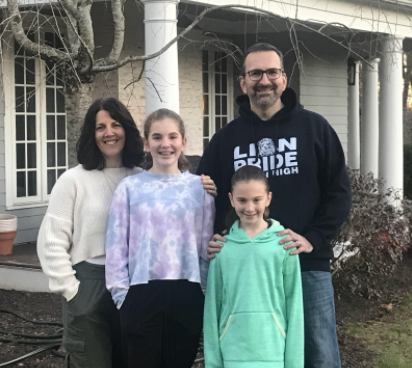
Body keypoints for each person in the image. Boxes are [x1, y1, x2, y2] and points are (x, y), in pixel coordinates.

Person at [197, 43, 352, 368]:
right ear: (243, 82)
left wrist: (314, 237)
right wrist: (211, 235)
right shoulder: (225, 140)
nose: (263, 80)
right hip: (246, 272)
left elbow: (338, 192)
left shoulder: (315, 128)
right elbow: (202, 199)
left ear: (283, 78)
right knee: (252, 356)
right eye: (255, 73)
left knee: (319, 354)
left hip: (306, 265)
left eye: (271, 72)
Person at [37, 98, 216, 368]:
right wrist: (72, 290)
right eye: (100, 127)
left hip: (151, 284)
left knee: (127, 358)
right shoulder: (76, 180)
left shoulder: (141, 176)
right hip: (93, 281)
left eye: (115, 125)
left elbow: (202, 241)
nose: (109, 132)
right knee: (93, 359)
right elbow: (53, 241)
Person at [105, 108, 215, 368]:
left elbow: (206, 248)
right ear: (146, 142)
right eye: (157, 137)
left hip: (187, 291)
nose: (165, 144)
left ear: (183, 142)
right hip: (141, 292)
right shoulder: (130, 188)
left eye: (172, 137)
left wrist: (204, 294)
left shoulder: (201, 189)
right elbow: (116, 246)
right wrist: (122, 296)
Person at [204, 165, 304, 368]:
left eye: (256, 200)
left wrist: (294, 363)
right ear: (231, 200)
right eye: (242, 200)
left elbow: (294, 307)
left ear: (268, 198)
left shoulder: (283, 245)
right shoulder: (222, 249)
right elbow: (212, 309)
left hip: (273, 352)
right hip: (232, 354)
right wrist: (213, 363)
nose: (249, 208)